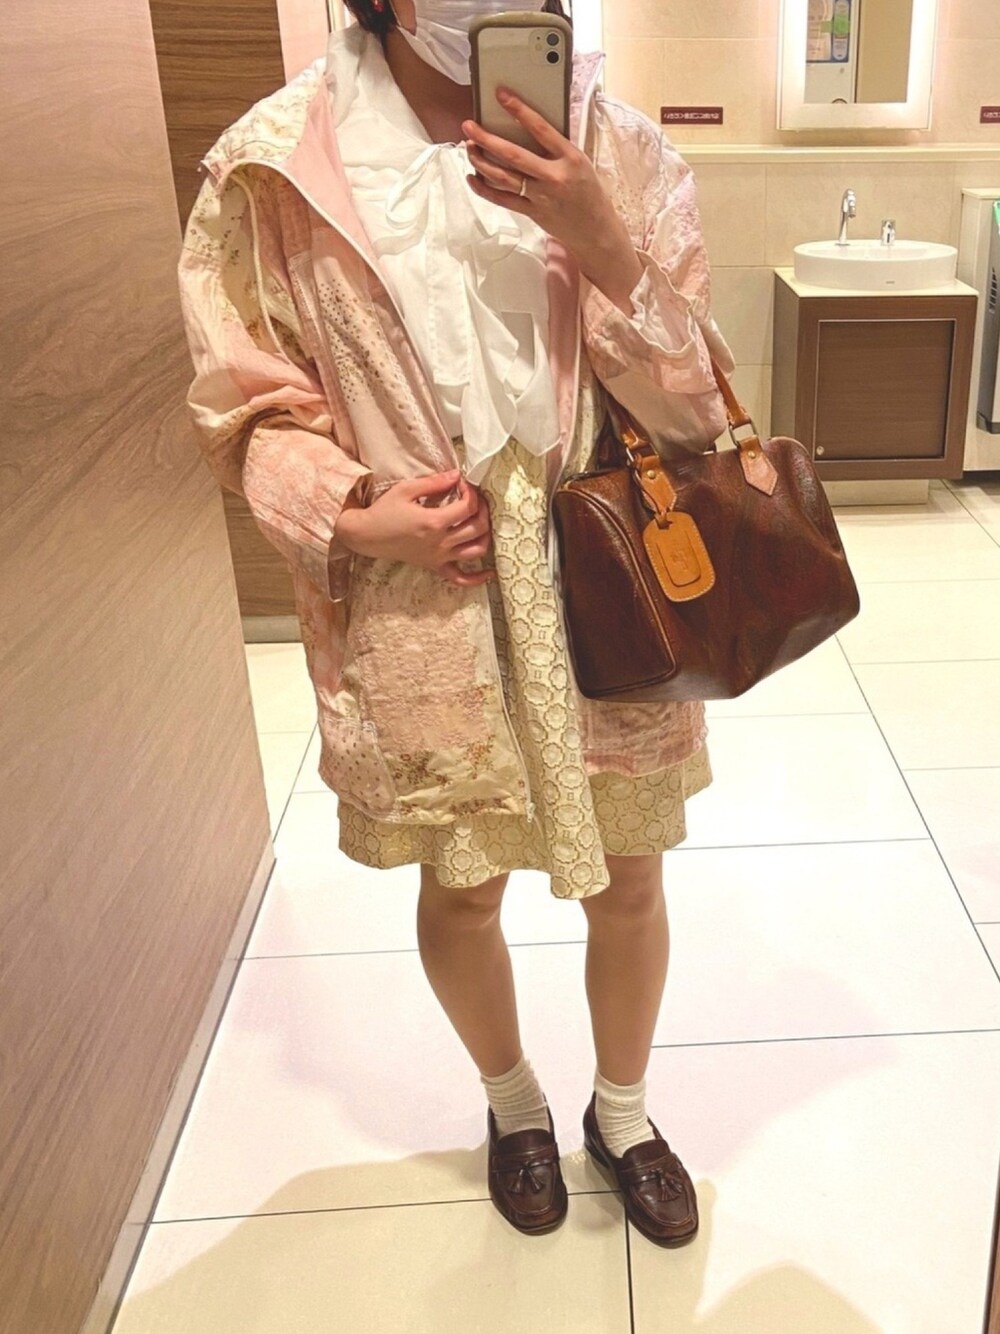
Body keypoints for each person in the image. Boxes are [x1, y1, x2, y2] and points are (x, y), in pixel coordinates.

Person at [177, 0, 734, 1247]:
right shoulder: (273, 165)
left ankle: (624, 1113)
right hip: (423, 596)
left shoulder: (623, 152)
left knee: (631, 871)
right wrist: (354, 513)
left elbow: (700, 403)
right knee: (463, 880)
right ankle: (513, 1103)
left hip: (607, 572)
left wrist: (606, 247)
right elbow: (241, 405)